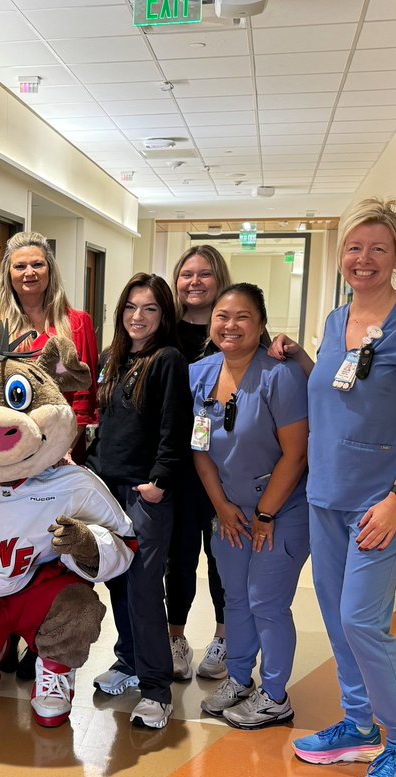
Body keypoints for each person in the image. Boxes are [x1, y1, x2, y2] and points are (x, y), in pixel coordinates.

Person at [272, 198, 396, 777]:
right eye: (355, 247)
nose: (364, 258)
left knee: (361, 618)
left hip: (382, 499)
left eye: (378, 248)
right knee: (333, 610)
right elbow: (339, 380)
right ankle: (361, 724)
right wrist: (296, 355)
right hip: (325, 492)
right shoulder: (334, 318)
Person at [0, 231, 99, 678]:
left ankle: (45, 645)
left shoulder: (75, 322)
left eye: (37, 265)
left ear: (50, 269)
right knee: (6, 546)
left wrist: (66, 449)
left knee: (52, 547)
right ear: (8, 271)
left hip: (59, 458)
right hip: (1, 459)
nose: (28, 273)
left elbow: (85, 393)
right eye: (20, 265)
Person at [188, 283, 309, 730]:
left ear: (260, 326)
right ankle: (239, 678)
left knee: (266, 602)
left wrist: (265, 515)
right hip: (231, 512)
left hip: (282, 511)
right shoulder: (199, 374)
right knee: (235, 598)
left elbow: (296, 454)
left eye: (242, 317)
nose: (230, 325)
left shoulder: (281, 377)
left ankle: (275, 695)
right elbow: (199, 448)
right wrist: (220, 505)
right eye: (222, 316)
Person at [87, 273, 191, 730]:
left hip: (145, 494)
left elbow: (175, 427)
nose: (138, 317)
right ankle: (128, 662)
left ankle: (156, 689)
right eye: (131, 307)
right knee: (118, 582)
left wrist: (160, 481)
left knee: (146, 589)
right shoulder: (114, 358)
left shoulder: (168, 360)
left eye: (149, 308)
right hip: (108, 490)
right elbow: (106, 425)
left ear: (163, 314)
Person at [165, 245, 232, 686]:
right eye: (186, 274)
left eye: (204, 274)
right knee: (179, 556)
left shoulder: (233, 330)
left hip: (226, 463)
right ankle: (176, 638)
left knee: (223, 556)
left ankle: (226, 638)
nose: (194, 282)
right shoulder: (163, 331)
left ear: (219, 279)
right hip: (177, 465)